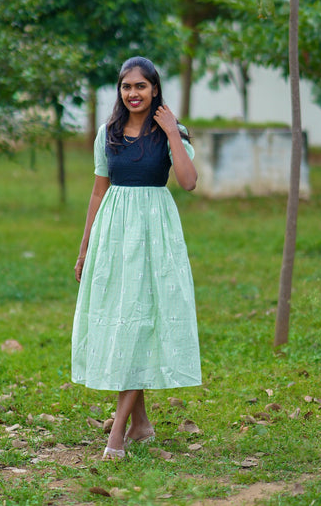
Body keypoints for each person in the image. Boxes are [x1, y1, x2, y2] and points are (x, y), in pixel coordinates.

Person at [72, 56, 202, 461]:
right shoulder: (107, 133)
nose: (133, 93)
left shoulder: (169, 133)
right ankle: (141, 424)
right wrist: (85, 246)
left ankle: (117, 435)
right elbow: (98, 191)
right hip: (114, 233)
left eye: (141, 86)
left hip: (154, 234)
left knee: (141, 319)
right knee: (124, 321)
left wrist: (172, 134)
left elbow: (189, 181)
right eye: (126, 86)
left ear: (155, 89)